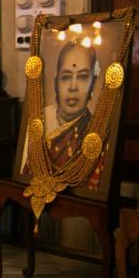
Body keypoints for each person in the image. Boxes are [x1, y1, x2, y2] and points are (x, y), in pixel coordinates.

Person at [41, 41, 102, 188]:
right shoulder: (40, 121)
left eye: (82, 77)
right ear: (56, 83)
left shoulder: (97, 135)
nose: (73, 87)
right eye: (66, 77)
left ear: (92, 84)